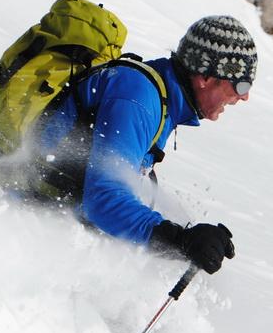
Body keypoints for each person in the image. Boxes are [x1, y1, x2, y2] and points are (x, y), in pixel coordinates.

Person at [23, 15, 257, 275]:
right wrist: (180, 240)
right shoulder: (137, 98)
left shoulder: (161, 101)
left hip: (46, 225)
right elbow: (103, 198)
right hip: (24, 226)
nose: (245, 96)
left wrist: (191, 238)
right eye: (241, 84)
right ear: (206, 77)